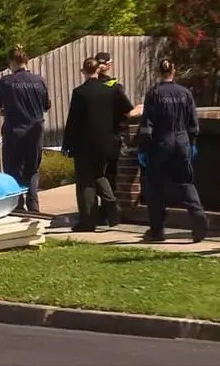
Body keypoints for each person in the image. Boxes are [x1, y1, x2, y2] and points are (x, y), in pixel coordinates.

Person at [62, 57, 143, 232]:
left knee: (85, 182)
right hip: (106, 142)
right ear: (98, 70)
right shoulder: (110, 91)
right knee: (99, 175)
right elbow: (125, 112)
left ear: (83, 71)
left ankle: (87, 221)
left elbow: (73, 121)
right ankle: (111, 203)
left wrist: (67, 143)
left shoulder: (79, 93)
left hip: (84, 144)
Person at [137, 59, 208, 243]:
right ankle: (198, 216)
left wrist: (143, 148)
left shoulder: (154, 93)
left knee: (155, 186)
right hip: (182, 141)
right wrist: (192, 142)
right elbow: (193, 122)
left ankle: (157, 231)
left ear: (159, 72)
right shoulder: (185, 93)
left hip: (161, 142)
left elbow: (147, 124)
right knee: (185, 182)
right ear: (173, 71)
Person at [0, 44, 51, 213]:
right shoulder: (39, 81)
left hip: (14, 130)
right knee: (32, 169)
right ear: (27, 61)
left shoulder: (6, 82)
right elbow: (46, 106)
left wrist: (3, 111)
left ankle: (17, 205)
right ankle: (34, 206)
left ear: (11, 62)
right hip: (35, 131)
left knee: (12, 168)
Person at [94, 51, 129, 225]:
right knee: (111, 175)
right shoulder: (115, 87)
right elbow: (126, 112)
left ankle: (101, 211)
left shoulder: (89, 86)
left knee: (98, 175)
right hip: (113, 136)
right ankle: (110, 210)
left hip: (94, 137)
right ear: (109, 65)